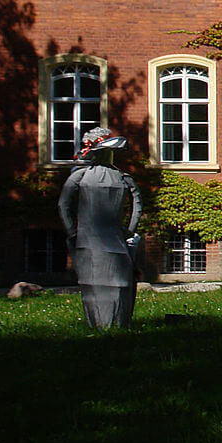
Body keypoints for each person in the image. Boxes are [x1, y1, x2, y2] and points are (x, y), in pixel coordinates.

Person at [58, 126, 143, 329]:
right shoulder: (123, 178)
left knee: (93, 283)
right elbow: (137, 205)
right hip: (116, 240)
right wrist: (129, 230)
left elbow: (63, 205)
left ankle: (99, 325)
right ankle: (117, 325)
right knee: (120, 282)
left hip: (88, 240)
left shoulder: (80, 176)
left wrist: (72, 232)